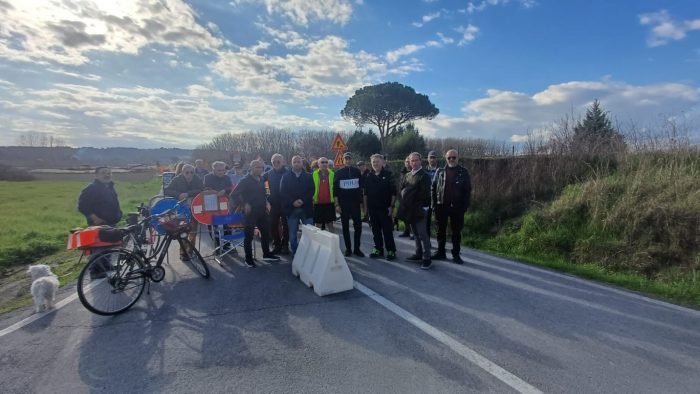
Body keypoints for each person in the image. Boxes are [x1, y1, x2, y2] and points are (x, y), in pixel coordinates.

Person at [231, 160, 280, 267]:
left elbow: (267, 191)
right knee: (248, 237)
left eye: (261, 167)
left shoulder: (264, 179)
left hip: (262, 211)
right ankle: (248, 259)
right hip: (250, 213)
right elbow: (233, 195)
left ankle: (266, 254)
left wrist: (267, 201)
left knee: (266, 234)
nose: (260, 169)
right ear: (251, 168)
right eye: (257, 167)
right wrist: (244, 204)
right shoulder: (244, 180)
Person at [431, 149, 472, 264]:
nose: (451, 160)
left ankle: (456, 255)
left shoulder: (463, 172)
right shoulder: (439, 171)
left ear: (458, 158)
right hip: (441, 206)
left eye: (454, 157)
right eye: (449, 158)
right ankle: (441, 252)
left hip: (457, 207)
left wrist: (464, 206)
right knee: (440, 231)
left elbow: (467, 190)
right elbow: (433, 189)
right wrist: (434, 205)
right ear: (446, 158)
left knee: (456, 232)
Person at [398, 152, 432, 270]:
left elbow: (424, 194)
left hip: (420, 209)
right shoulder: (407, 175)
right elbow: (402, 189)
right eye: (412, 161)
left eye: (416, 160)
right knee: (415, 234)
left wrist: (409, 193)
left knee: (422, 234)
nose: (414, 163)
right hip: (409, 208)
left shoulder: (424, 176)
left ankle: (427, 258)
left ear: (420, 161)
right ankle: (418, 254)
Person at [164, 164, 203, 261]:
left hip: (194, 208)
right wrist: (179, 194)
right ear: (182, 172)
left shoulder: (197, 179)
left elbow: (201, 189)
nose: (189, 174)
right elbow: (167, 190)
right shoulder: (177, 179)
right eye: (187, 172)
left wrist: (189, 194)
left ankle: (191, 251)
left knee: (193, 231)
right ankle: (183, 253)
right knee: (183, 231)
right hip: (181, 209)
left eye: (192, 172)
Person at [364, 154, 397, 260]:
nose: (375, 164)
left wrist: (391, 206)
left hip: (385, 209)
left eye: (377, 161)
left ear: (382, 162)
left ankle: (391, 250)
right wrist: (366, 209)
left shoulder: (388, 175)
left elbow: (393, 193)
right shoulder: (368, 176)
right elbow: (365, 194)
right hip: (372, 209)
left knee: (387, 231)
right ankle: (378, 249)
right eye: (373, 162)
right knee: (375, 230)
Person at [280, 155, 315, 254]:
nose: (296, 163)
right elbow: (283, 192)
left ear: (302, 163)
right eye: (294, 162)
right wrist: (293, 202)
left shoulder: (308, 176)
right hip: (292, 210)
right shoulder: (285, 176)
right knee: (292, 235)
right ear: (292, 163)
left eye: (298, 162)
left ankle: (309, 252)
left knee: (310, 234)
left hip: (306, 209)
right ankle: (296, 253)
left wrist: (302, 200)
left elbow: (311, 190)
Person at [333, 152, 365, 257]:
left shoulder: (357, 172)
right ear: (343, 160)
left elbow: (360, 189)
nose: (347, 160)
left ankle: (357, 248)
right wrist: (337, 205)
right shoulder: (338, 173)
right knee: (345, 227)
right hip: (344, 205)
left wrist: (361, 203)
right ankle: (348, 249)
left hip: (355, 204)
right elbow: (335, 191)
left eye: (349, 159)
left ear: (352, 160)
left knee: (358, 227)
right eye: (346, 159)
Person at [264, 153, 290, 255]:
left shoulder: (288, 173)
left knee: (286, 225)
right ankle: (276, 244)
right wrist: (268, 199)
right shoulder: (267, 175)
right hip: (272, 204)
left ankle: (285, 245)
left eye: (278, 161)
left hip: (286, 203)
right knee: (272, 225)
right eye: (274, 161)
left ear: (282, 162)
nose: (276, 163)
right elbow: (266, 188)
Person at [204, 161, 234, 251]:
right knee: (212, 223)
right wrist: (213, 191)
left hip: (225, 202)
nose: (221, 172)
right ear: (213, 170)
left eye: (223, 170)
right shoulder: (207, 177)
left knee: (227, 223)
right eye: (219, 170)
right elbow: (205, 188)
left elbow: (230, 187)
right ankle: (216, 244)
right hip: (211, 202)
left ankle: (227, 243)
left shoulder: (227, 177)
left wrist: (224, 190)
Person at [312, 157, 336, 232]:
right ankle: (317, 243)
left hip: (329, 203)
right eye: (322, 162)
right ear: (318, 164)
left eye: (326, 162)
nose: (325, 164)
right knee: (317, 226)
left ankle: (332, 243)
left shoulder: (332, 174)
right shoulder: (313, 174)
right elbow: (310, 188)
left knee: (330, 225)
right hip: (317, 203)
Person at [396, 156, 413, 239]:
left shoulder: (414, 172)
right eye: (406, 162)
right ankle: (407, 231)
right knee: (404, 216)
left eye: (409, 161)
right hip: (403, 198)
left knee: (412, 216)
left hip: (412, 198)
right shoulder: (402, 172)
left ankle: (414, 233)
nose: (407, 163)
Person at [425, 150, 440, 237]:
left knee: (439, 222)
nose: (432, 159)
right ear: (428, 159)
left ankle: (440, 245)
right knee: (427, 221)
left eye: (434, 157)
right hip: (427, 199)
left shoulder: (441, 171)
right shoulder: (423, 171)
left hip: (437, 200)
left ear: (437, 159)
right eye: (431, 157)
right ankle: (427, 243)